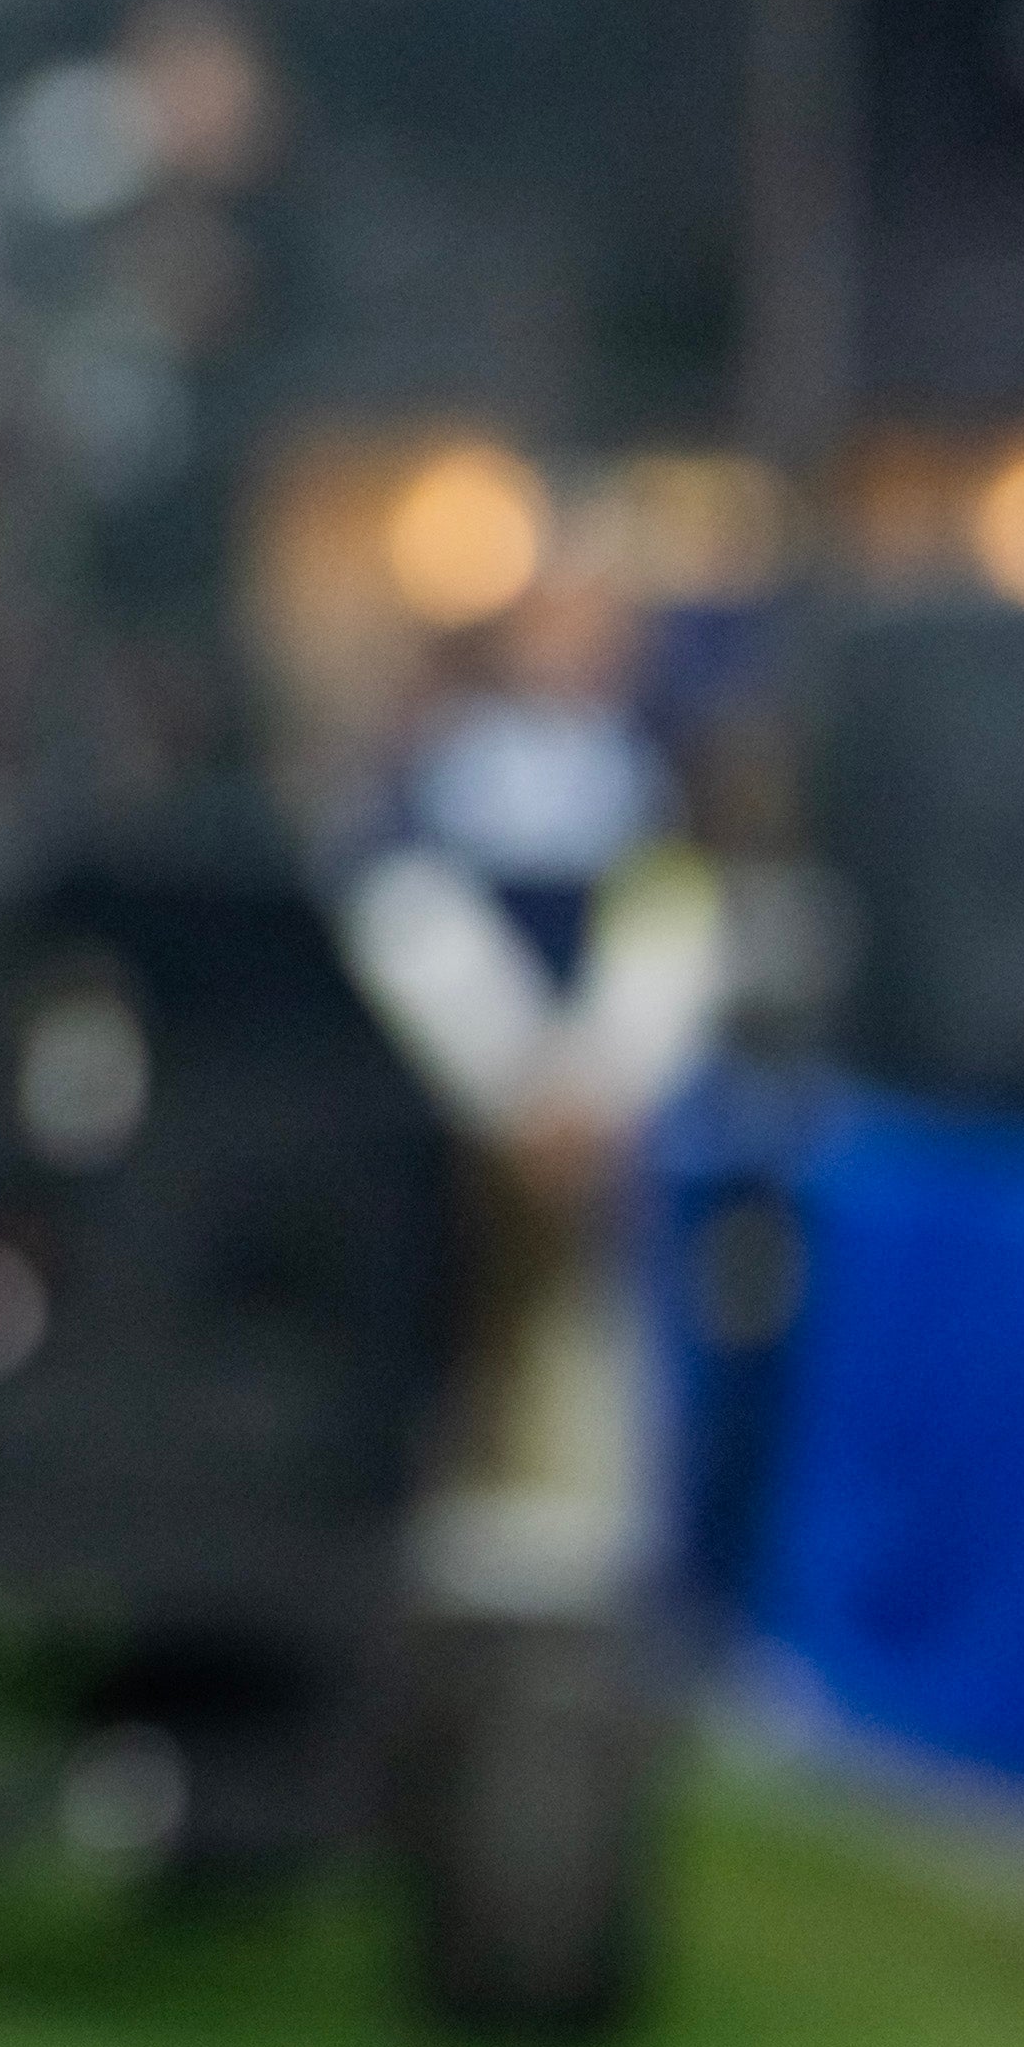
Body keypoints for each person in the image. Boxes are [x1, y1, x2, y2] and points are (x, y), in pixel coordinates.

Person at [334, 565, 722, 1625]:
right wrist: (510, 1074)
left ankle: (599, 1514)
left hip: (604, 1111)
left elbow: (674, 916)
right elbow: (400, 903)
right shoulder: (439, 756)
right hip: (466, 1096)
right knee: (460, 1297)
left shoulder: (651, 764)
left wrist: (599, 1077)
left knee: (598, 1318)